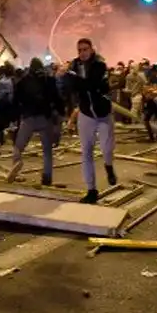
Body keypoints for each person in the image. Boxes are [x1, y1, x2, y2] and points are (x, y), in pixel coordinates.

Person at [62, 38, 117, 204]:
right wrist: (65, 76)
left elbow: (90, 85)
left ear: (92, 49)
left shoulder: (100, 64)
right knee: (86, 152)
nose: (82, 53)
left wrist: (70, 75)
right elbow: (69, 88)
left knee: (107, 149)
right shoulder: (74, 65)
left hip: (103, 114)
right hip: (86, 114)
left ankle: (108, 166)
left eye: (85, 49)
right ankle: (91, 190)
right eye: (79, 50)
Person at [8, 58, 65, 185]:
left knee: (18, 147)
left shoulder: (23, 82)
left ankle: (16, 167)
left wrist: (13, 119)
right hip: (45, 118)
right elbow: (57, 99)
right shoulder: (49, 80)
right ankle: (47, 177)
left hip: (28, 118)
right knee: (47, 151)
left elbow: (15, 102)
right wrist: (60, 116)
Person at [0, 61, 16, 156]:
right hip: (9, 105)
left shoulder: (1, 80)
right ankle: (15, 146)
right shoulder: (12, 81)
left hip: (1, 104)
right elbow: (10, 95)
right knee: (13, 126)